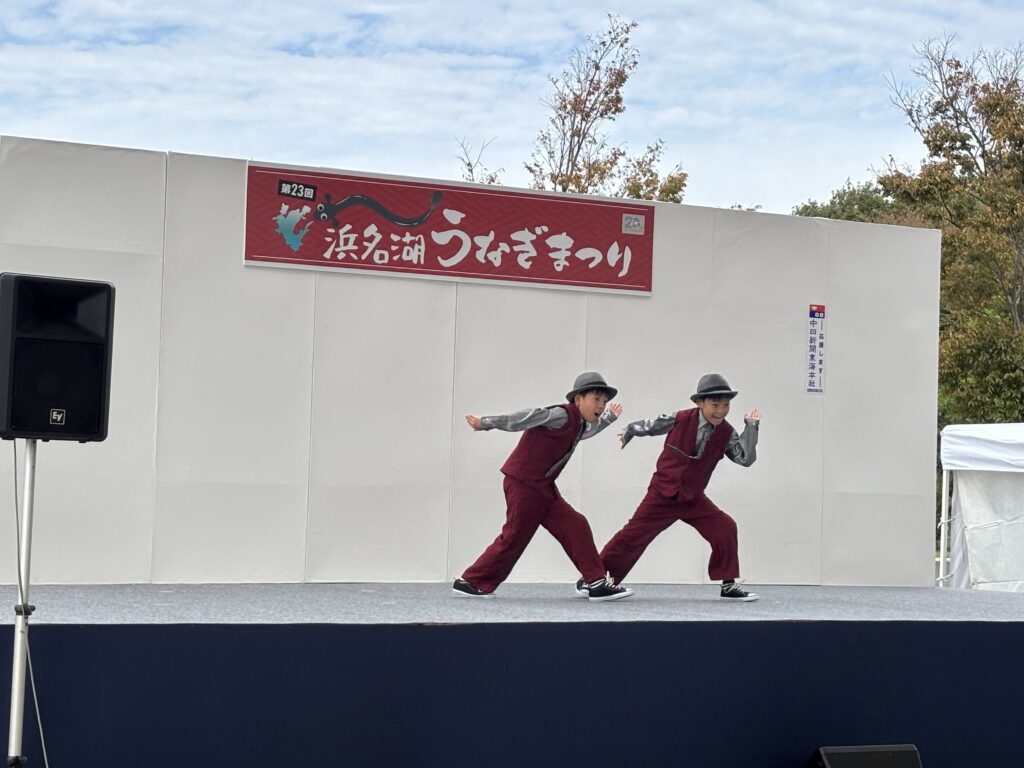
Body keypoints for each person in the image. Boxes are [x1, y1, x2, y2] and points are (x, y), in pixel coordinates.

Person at [579, 373, 761, 601]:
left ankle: (728, 585)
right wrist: (630, 430)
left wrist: (751, 427)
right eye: (715, 405)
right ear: (699, 402)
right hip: (663, 494)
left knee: (725, 527)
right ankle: (593, 580)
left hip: (693, 498)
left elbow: (745, 458)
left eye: (726, 405)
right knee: (632, 536)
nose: (721, 411)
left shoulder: (727, 433)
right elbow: (652, 425)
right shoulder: (680, 418)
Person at [453, 372, 633, 601]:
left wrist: (607, 419)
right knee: (515, 536)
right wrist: (486, 423)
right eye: (596, 399)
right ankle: (471, 581)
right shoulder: (561, 414)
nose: (601, 405)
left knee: (576, 525)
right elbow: (526, 417)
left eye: (604, 401)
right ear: (578, 399)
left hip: (542, 487)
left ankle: (596, 583)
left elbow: (587, 432)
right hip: (524, 482)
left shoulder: (578, 424)